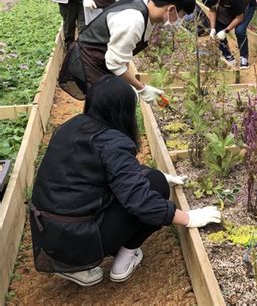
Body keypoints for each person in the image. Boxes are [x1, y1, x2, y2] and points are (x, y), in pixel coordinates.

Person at [29, 76, 221, 286]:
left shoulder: (71, 127)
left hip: (47, 235)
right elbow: (139, 201)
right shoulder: (112, 141)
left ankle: (77, 269)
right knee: (155, 184)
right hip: (80, 240)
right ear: (123, 111)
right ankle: (122, 261)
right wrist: (189, 218)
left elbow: (102, 169)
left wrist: (154, 174)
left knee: (152, 179)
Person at [59, 0, 195, 102]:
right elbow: (114, 63)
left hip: (102, 59)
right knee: (104, 110)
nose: (180, 21)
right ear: (171, 9)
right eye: (181, 15)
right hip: (89, 61)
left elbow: (124, 52)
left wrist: (129, 82)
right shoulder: (133, 21)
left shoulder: (147, 7)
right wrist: (141, 88)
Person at [201, 0, 257, 69]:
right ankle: (228, 56)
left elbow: (239, 17)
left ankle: (244, 57)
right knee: (217, 29)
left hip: (245, 5)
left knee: (240, 30)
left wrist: (226, 31)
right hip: (228, 6)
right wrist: (213, 29)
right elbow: (212, 10)